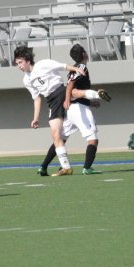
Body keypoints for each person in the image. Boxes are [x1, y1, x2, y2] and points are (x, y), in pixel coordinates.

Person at [15, 46, 104, 177]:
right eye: (17, 64)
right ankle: (66, 167)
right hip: (51, 101)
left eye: (20, 62)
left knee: (73, 92)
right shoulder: (26, 80)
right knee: (56, 134)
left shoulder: (43, 64)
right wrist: (36, 118)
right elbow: (36, 99)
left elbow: (63, 66)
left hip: (59, 91)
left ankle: (97, 95)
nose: (19, 66)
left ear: (28, 60)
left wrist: (76, 68)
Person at [63, 43, 109, 174]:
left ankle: (44, 165)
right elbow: (70, 84)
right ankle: (87, 168)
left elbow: (74, 87)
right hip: (78, 108)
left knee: (60, 139)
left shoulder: (76, 67)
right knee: (93, 138)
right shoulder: (81, 66)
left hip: (73, 108)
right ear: (84, 54)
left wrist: (90, 103)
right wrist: (67, 99)